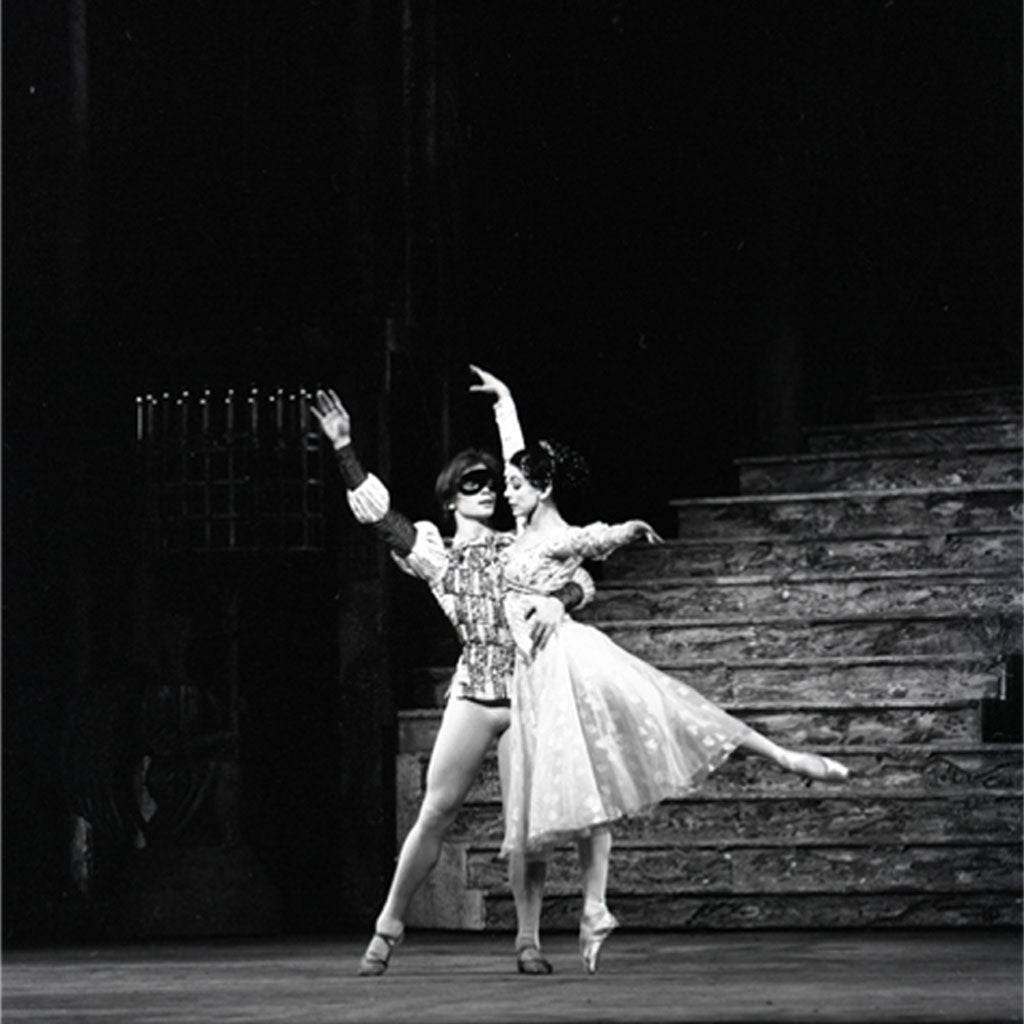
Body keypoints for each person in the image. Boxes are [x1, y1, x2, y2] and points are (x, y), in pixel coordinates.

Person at [470, 366, 850, 973]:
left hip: (565, 668)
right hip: (526, 682)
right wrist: (507, 402)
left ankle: (786, 758)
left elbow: (594, 540)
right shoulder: (519, 529)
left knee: (659, 724)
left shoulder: (558, 535)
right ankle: (563, 923)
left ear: (539, 490)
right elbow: (520, 454)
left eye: (515, 485)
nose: (505, 492)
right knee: (541, 811)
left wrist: (628, 530)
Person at [312, 385, 596, 977]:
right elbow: (382, 520)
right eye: (473, 482)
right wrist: (344, 449)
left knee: (527, 826)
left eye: (491, 482)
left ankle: (528, 939)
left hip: (526, 688)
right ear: (450, 498)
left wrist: (561, 602)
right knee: (435, 812)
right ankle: (387, 926)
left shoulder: (522, 543)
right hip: (474, 690)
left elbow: (583, 580)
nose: (487, 489)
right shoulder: (438, 555)